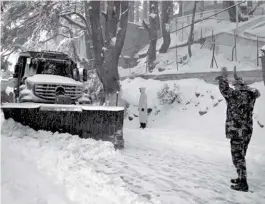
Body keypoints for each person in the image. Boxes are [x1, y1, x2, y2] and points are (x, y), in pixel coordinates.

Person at [215, 66, 260, 192]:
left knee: (237, 157)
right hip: (247, 130)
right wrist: (239, 81)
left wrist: (223, 77)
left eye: (235, 85)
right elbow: (255, 91)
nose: (234, 87)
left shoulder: (234, 95)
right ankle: (240, 178)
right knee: (241, 155)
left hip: (236, 131)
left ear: (237, 87)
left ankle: (243, 183)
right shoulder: (251, 94)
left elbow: (224, 89)